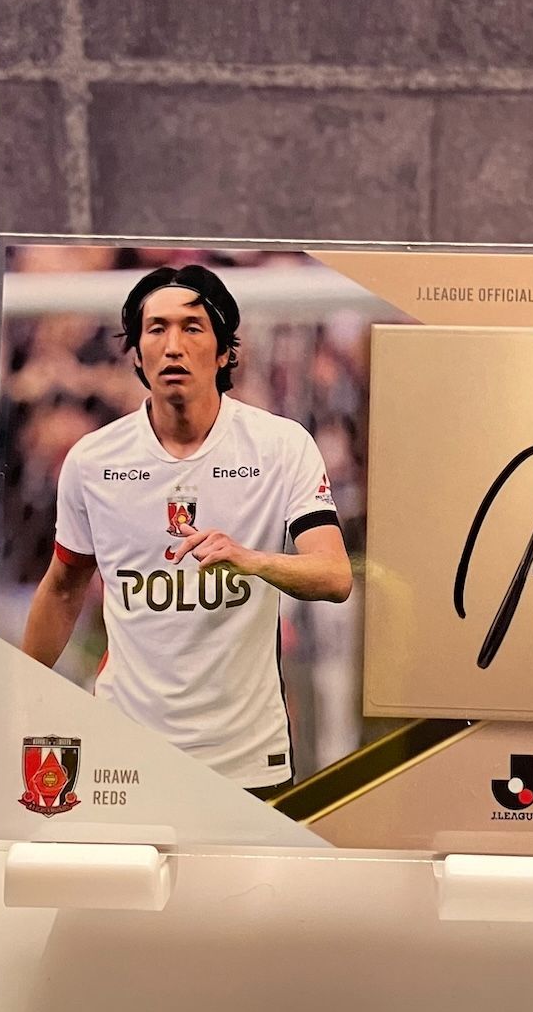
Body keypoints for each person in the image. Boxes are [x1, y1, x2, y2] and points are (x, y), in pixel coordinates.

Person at [22, 264, 352, 795]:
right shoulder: (92, 461)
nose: (173, 345)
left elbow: (334, 576)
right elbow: (62, 588)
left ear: (223, 352)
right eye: (156, 329)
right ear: (137, 353)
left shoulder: (281, 446)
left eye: (192, 327)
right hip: (128, 753)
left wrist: (250, 560)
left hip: (246, 757)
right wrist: (16, 699)